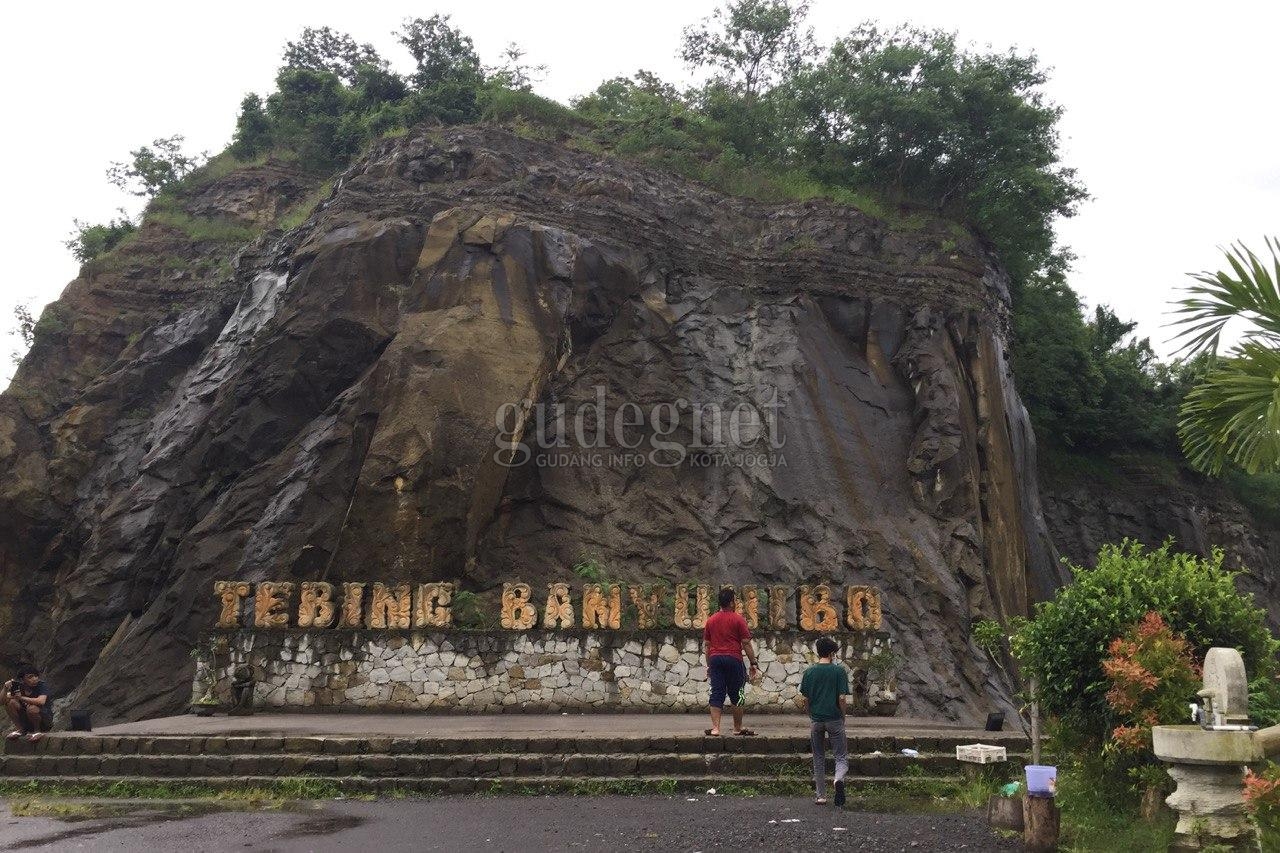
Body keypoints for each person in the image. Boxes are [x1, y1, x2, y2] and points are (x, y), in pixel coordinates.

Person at [702, 587, 759, 736]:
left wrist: (709, 665)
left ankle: (715, 728)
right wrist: (753, 663)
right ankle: (737, 728)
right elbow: (746, 643)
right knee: (737, 694)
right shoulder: (738, 619)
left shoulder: (711, 620)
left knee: (717, 692)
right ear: (732, 602)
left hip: (715, 659)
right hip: (734, 659)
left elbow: (707, 646)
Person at [800, 636, 850, 806]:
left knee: (818, 758)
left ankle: (821, 796)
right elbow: (842, 698)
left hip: (816, 719)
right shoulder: (839, 672)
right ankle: (838, 780)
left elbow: (805, 699)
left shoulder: (809, 672)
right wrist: (842, 716)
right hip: (835, 718)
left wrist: (810, 714)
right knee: (841, 757)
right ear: (831, 653)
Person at [5, 665, 51, 743]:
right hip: (27, 720)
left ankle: (37, 731)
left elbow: (41, 701)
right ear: (22, 680)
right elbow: (3, 701)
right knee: (10, 703)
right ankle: (20, 729)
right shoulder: (19, 687)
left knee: (32, 708)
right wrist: (5, 687)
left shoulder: (42, 685)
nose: (34, 679)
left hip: (43, 720)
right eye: (30, 677)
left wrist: (21, 698)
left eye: (36, 676)